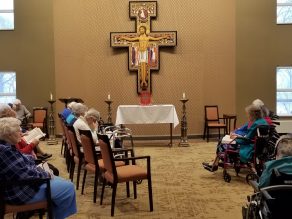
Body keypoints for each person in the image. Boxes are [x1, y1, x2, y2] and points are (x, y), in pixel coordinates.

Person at [0, 117, 77, 219]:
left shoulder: (6, 145)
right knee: (68, 188)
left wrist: (38, 169)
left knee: (61, 181)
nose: (21, 133)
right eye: (18, 131)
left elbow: (23, 162)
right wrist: (45, 174)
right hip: (17, 192)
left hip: (16, 185)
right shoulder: (5, 151)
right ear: (9, 134)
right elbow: (25, 175)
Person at [202, 104, 268, 172]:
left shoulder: (255, 124)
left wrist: (235, 138)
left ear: (253, 115)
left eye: (248, 114)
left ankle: (215, 164)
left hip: (249, 147)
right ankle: (215, 162)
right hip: (256, 146)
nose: (247, 116)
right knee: (223, 142)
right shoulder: (263, 122)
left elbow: (246, 140)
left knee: (222, 144)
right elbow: (250, 136)